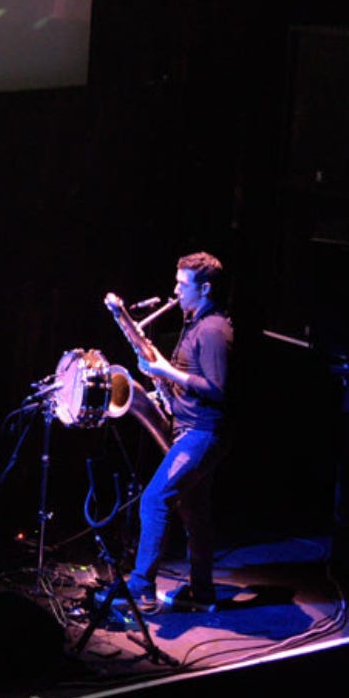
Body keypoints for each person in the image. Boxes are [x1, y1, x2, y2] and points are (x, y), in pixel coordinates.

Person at [108, 251, 235, 613]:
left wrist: (164, 371)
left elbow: (218, 389)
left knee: (154, 500)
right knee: (195, 512)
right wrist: (163, 386)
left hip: (203, 433)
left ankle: (141, 588)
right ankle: (203, 592)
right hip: (193, 429)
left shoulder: (213, 330)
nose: (176, 291)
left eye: (183, 285)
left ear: (205, 289)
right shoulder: (196, 323)